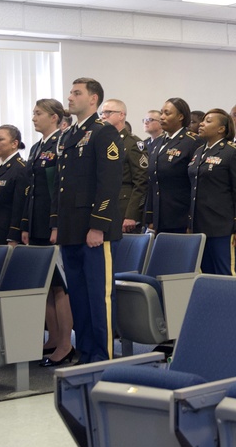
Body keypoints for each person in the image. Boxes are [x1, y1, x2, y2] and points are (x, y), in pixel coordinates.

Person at [55, 77, 124, 363]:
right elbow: (62, 184)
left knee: (98, 296)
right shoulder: (70, 134)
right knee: (79, 297)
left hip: (93, 229)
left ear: (93, 99)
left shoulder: (103, 132)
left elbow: (108, 183)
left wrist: (98, 224)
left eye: (76, 93)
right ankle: (85, 352)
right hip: (71, 228)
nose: (69, 98)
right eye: (70, 92)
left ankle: (102, 355)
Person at [21, 99, 73, 367]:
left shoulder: (61, 144)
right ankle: (52, 337)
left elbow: (59, 190)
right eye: (33, 113)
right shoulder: (36, 147)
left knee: (59, 286)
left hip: (53, 224)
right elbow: (32, 189)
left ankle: (66, 343)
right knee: (46, 284)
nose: (34, 117)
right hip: (37, 222)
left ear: (54, 117)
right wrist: (26, 225)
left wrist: (56, 225)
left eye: (38, 113)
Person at [188, 109, 236, 275]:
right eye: (202, 121)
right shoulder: (199, 152)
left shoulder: (232, 151)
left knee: (227, 276)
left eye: (208, 121)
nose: (201, 124)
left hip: (223, 228)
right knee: (206, 276)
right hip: (200, 226)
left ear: (221, 129)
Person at [144, 97, 199, 234]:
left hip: (181, 217)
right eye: (161, 113)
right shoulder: (158, 142)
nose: (162, 117)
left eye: (167, 113)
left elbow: (196, 185)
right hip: (159, 218)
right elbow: (152, 182)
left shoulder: (192, 142)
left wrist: (191, 221)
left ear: (181, 116)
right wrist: (150, 215)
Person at [100, 99, 148, 233]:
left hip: (123, 208)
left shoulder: (133, 143)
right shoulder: (101, 141)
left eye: (108, 112)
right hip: (104, 207)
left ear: (121, 115)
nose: (103, 116)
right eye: (102, 113)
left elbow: (141, 181)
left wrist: (132, 215)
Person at [0, 125, 30, 245]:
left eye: (0, 139)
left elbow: (19, 205)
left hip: (5, 234)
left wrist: (13, 236)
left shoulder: (21, 168)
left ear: (14, 143)